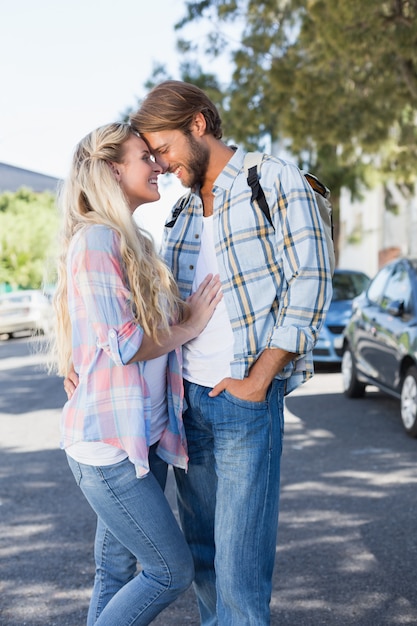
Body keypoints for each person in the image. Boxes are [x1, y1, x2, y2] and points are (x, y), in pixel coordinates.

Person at [128, 81, 333, 626]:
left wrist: (260, 378)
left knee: (240, 571)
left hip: (243, 398)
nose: (162, 164)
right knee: (205, 562)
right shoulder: (184, 211)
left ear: (198, 125)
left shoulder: (274, 180)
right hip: (186, 400)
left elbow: (311, 282)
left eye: (164, 148)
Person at [53, 121, 222, 625]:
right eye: (143, 157)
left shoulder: (136, 242)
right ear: (111, 169)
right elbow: (126, 344)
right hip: (108, 448)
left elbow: (102, 333)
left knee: (114, 569)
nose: (158, 167)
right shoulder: (97, 240)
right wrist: (189, 325)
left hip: (141, 437)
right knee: (170, 571)